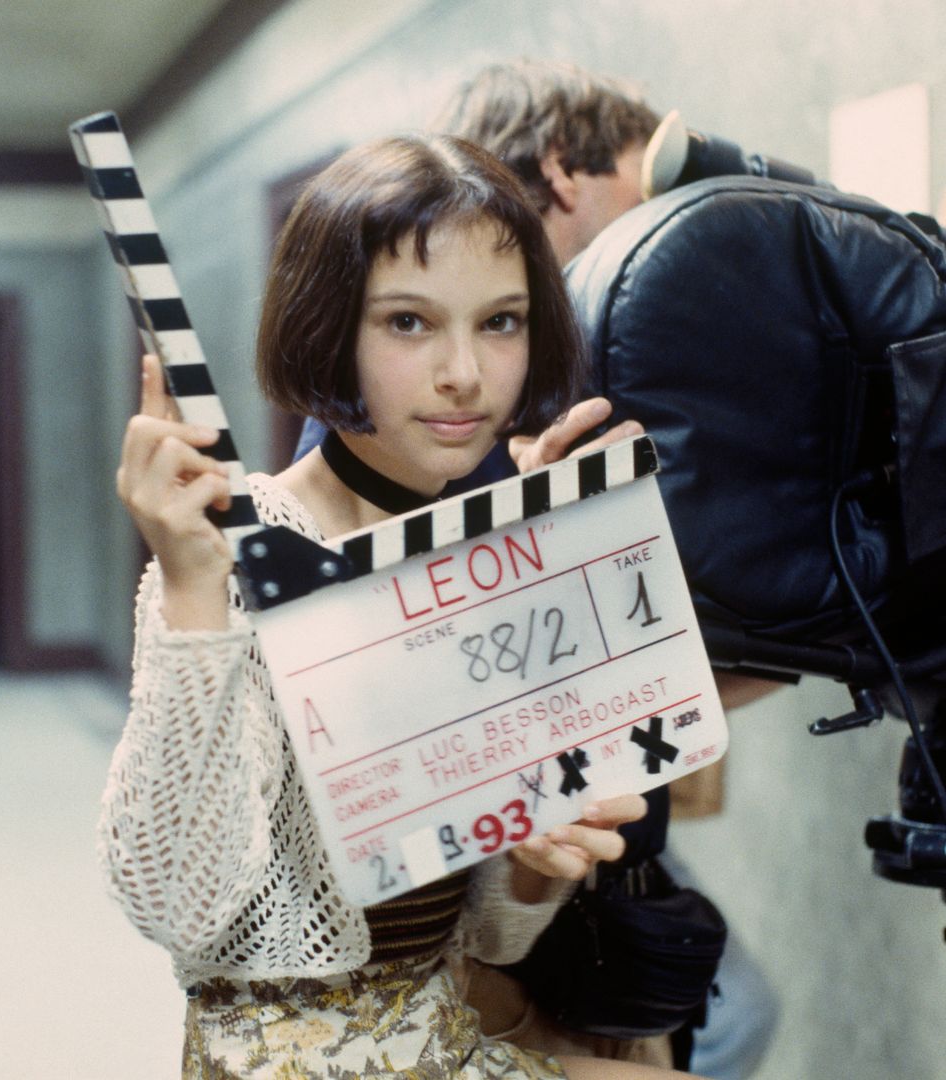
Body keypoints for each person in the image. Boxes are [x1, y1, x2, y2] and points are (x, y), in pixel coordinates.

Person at [104, 132, 703, 1079]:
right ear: (328, 326)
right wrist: (188, 589)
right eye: (409, 324)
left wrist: (535, 851)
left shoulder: (479, 547)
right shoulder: (242, 542)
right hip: (283, 1055)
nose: (465, 372)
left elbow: (491, 937)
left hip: (437, 1028)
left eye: (501, 322)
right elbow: (175, 902)